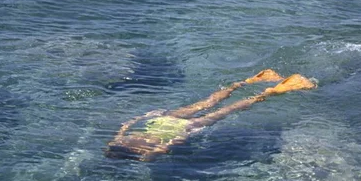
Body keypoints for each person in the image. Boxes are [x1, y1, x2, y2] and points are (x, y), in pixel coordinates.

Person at [105, 69, 316, 161]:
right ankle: (245, 82)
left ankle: (268, 92)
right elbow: (126, 124)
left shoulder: (144, 156)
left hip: (183, 127)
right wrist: (144, 116)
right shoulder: (117, 141)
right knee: (210, 101)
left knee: (228, 109)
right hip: (161, 119)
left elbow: (168, 146)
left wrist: (188, 135)